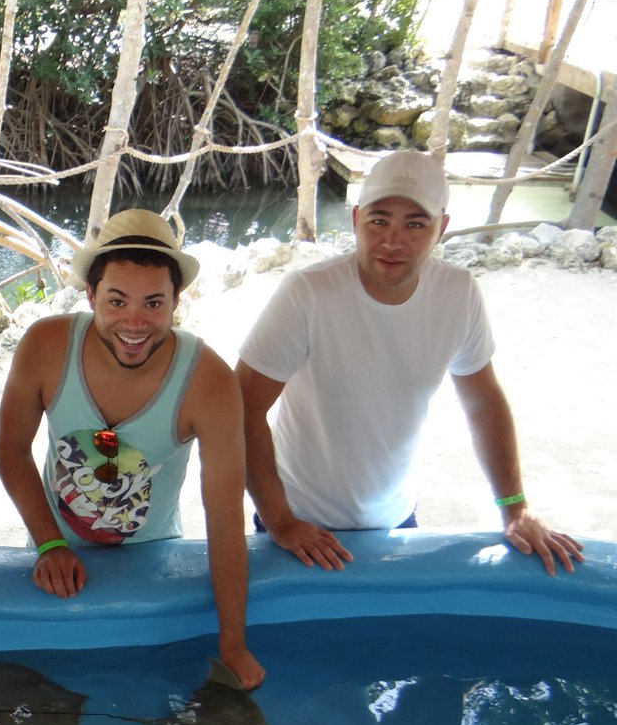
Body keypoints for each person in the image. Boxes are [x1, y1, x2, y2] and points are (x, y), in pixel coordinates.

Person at [236, 148, 583, 577]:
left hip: (396, 518)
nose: (392, 242)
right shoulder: (307, 293)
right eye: (379, 220)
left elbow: (483, 400)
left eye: (415, 224)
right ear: (355, 219)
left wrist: (515, 507)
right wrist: (279, 520)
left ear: (442, 229)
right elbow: (243, 407)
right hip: (302, 523)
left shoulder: (458, 294)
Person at [0, 208, 265, 690]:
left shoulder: (210, 382)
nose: (134, 322)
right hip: (52, 550)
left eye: (153, 304)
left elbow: (225, 517)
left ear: (176, 302)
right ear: (91, 295)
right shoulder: (46, 345)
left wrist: (233, 645)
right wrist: (49, 543)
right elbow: (11, 448)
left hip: (153, 556)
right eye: (117, 301)